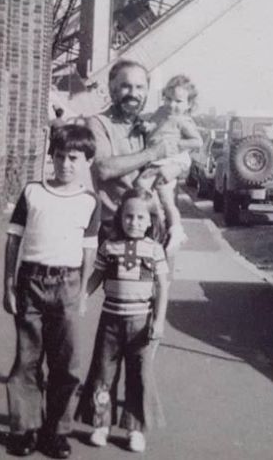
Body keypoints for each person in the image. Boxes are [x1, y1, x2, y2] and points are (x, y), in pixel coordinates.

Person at [3, 125, 101, 458]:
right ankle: (26, 428)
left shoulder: (89, 201)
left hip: (68, 285)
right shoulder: (33, 192)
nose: (65, 164)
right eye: (59, 156)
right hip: (30, 281)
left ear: (87, 160)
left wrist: (84, 293)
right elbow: (14, 238)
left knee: (67, 364)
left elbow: (89, 250)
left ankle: (56, 431)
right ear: (52, 156)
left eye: (73, 158)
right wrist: (8, 285)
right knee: (27, 360)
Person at [76, 188, 169, 453]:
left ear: (150, 220)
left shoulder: (155, 250)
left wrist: (159, 320)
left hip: (141, 323)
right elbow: (97, 276)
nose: (134, 222)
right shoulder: (110, 246)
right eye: (129, 216)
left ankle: (134, 429)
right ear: (120, 218)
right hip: (111, 321)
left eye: (141, 218)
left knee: (139, 375)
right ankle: (100, 423)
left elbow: (163, 286)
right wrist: (83, 296)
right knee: (103, 373)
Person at [86, 60, 168, 243]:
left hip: (150, 226)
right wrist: (151, 153)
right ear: (112, 88)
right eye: (126, 86)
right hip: (114, 227)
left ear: (147, 91)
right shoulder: (98, 123)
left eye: (140, 87)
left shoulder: (150, 127)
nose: (133, 94)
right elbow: (104, 168)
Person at [137, 74, 203, 252]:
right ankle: (159, 223)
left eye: (179, 101)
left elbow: (197, 142)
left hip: (172, 159)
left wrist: (177, 144)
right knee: (144, 188)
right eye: (168, 99)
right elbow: (153, 126)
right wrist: (146, 127)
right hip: (157, 160)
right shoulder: (160, 112)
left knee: (165, 196)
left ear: (189, 104)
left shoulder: (183, 121)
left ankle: (176, 229)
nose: (172, 105)